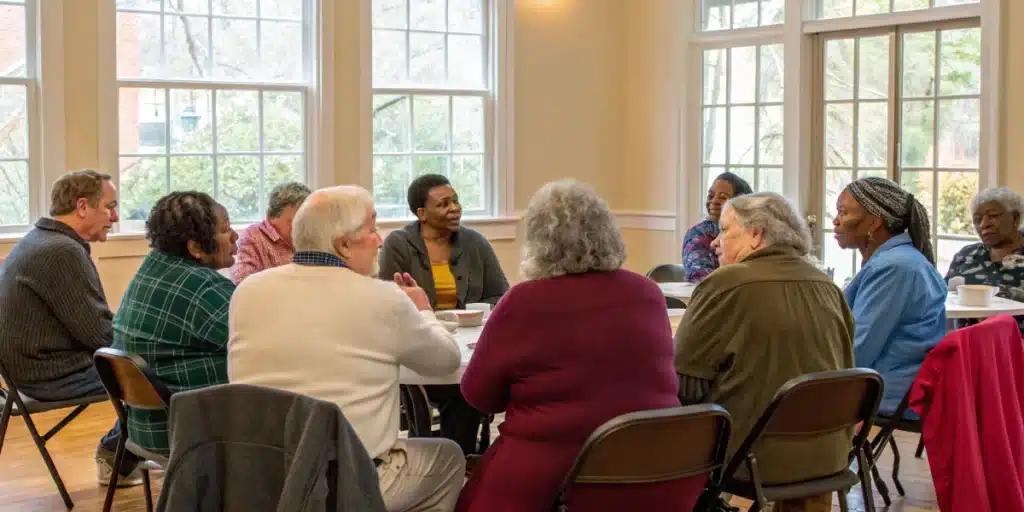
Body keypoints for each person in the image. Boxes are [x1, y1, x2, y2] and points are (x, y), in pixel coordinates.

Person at [456, 181, 701, 512]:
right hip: (655, 471)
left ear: (538, 242)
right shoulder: (647, 293)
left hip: (557, 478)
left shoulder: (524, 300)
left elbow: (479, 395)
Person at [228, 185, 465, 512]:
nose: (380, 240)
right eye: (372, 229)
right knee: (449, 457)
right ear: (343, 245)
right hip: (345, 483)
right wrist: (423, 308)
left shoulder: (248, 291)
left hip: (262, 479)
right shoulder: (381, 297)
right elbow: (446, 361)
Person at [675, 192, 854, 512]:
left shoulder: (724, 284)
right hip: (830, 455)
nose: (715, 242)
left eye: (725, 230)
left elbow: (684, 384)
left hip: (752, 458)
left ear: (756, 235)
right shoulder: (828, 287)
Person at [0, 169, 145, 486]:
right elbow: (100, 335)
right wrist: (146, 336)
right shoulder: (61, 251)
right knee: (158, 369)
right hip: (47, 375)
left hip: (25, 368)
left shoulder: (41, 239)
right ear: (82, 206)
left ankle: (122, 452)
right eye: (110, 206)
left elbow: (88, 321)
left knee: (146, 359)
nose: (116, 216)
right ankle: (117, 458)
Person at [378, 174, 508, 455]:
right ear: (422, 213)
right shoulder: (398, 245)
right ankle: (450, 457)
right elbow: (389, 302)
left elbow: (501, 296)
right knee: (459, 392)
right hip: (423, 347)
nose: (455, 208)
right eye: (444, 204)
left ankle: (456, 457)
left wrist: (471, 314)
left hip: (471, 347)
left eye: (456, 201)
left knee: (473, 386)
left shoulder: (475, 243)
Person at [112, 191, 238, 456]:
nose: (235, 236)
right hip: (188, 434)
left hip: (144, 427)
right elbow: (262, 342)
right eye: (226, 230)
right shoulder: (203, 288)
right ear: (195, 248)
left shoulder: (152, 269)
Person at [834, 177, 946, 415]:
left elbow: (859, 348)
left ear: (874, 223)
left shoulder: (894, 267)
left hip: (888, 392)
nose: (835, 221)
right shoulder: (900, 259)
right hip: (897, 383)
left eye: (843, 213)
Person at [945, 187, 1024, 330]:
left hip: (1017, 348)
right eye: (977, 220)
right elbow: (944, 298)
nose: (983, 225)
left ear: (1015, 218)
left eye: (993, 216)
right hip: (968, 347)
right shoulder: (965, 256)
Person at [230, 181, 311, 284]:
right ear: (273, 217)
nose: (303, 228)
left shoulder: (313, 237)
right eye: (296, 222)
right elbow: (241, 282)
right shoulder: (253, 237)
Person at [682, 172, 753, 282]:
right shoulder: (699, 234)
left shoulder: (751, 234)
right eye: (711, 196)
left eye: (723, 197)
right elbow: (700, 279)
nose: (714, 201)